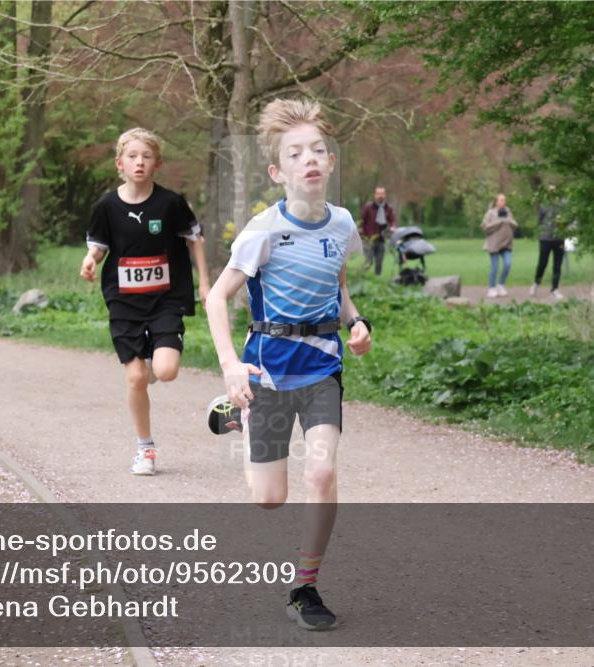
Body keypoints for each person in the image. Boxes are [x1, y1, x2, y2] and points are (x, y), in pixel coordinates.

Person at [204, 99, 371, 631]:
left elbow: (337, 286)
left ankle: (305, 586)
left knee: (321, 471)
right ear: (278, 172)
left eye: (318, 149)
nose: (310, 159)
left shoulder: (343, 224)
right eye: (296, 153)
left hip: (322, 367)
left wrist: (356, 321)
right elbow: (215, 298)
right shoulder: (262, 231)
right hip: (267, 371)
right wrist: (230, 364)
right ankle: (237, 411)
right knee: (269, 499)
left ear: (331, 161)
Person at [80, 128, 210, 476]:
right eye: (133, 156)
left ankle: (152, 364)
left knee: (165, 371)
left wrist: (205, 284)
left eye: (146, 156)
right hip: (124, 302)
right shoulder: (107, 206)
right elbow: (100, 244)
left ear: (157, 163)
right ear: (119, 163)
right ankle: (145, 449)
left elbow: (195, 239)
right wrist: (91, 258)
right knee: (136, 378)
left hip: (166, 297)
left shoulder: (170, 203)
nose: (140, 162)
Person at [530, 185, 566, 300]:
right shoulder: (544, 205)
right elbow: (539, 221)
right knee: (542, 263)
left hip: (559, 238)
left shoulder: (563, 204)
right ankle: (536, 282)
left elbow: (568, 219)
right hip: (546, 238)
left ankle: (555, 288)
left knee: (557, 264)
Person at [481, 193, 518, 298]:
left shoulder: (508, 211)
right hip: (494, 245)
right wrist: (499, 222)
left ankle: (501, 285)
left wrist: (509, 221)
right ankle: (491, 288)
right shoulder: (490, 213)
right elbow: (484, 227)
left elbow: (514, 225)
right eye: (501, 200)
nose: (503, 202)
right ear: (496, 202)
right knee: (495, 267)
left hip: (507, 244)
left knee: (507, 264)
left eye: (504, 200)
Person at [359, 186, 396, 276]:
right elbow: (361, 221)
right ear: (375, 195)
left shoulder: (388, 208)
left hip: (381, 240)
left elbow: (393, 220)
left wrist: (393, 227)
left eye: (382, 194)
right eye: (378, 194)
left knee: (379, 263)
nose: (380, 196)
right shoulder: (368, 207)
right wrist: (361, 234)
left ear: (385, 195)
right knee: (369, 262)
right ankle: (360, 277)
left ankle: (377, 280)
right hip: (369, 240)